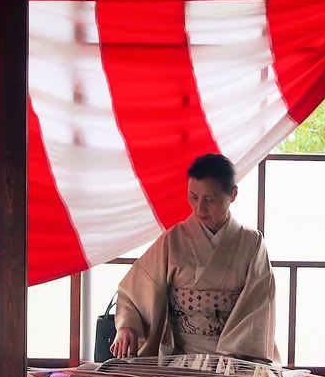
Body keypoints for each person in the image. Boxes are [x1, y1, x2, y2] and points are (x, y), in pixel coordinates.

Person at [111, 153, 279, 360]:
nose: (200, 208)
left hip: (233, 361)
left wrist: (231, 357)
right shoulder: (172, 240)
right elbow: (133, 293)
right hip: (179, 356)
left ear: (233, 194)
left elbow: (258, 305)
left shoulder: (251, 243)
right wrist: (127, 326)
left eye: (210, 199)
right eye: (194, 197)